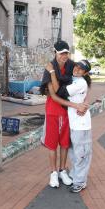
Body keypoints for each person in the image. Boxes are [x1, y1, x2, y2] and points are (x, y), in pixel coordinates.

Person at [40, 40, 88, 188]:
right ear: (55, 53)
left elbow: (85, 81)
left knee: (65, 143)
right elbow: (54, 94)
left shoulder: (72, 65)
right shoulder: (49, 67)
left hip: (67, 112)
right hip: (53, 110)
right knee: (52, 144)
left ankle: (62, 171)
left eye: (66, 53)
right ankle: (53, 173)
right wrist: (76, 105)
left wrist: (85, 102)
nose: (64, 56)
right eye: (61, 53)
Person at [46, 59, 92, 193]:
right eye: (76, 66)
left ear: (85, 72)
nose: (76, 69)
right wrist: (85, 102)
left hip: (81, 124)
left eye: (80, 69)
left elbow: (60, 92)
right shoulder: (75, 78)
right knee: (74, 152)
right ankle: (74, 175)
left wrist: (52, 73)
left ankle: (80, 182)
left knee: (81, 154)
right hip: (73, 122)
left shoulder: (80, 82)